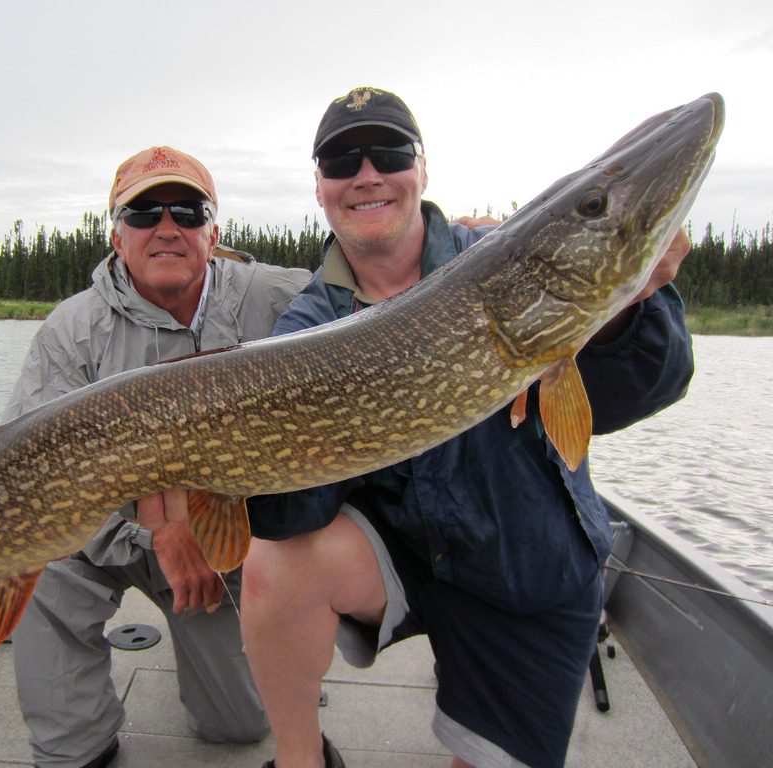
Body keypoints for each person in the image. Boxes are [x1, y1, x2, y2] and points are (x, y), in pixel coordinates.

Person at [240, 87, 695, 768]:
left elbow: (645, 387)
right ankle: (301, 759)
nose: (366, 174)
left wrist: (630, 306)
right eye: (341, 161)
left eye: (387, 152)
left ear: (421, 170)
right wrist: (224, 480)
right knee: (274, 564)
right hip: (401, 558)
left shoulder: (507, 262)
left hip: (527, 571)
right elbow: (295, 511)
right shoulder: (308, 325)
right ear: (321, 189)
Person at [4, 145, 311, 768]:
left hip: (222, 547)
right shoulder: (72, 330)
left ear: (214, 233)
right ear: (117, 235)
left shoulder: (278, 297)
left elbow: (375, 295)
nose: (167, 227)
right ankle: (76, 746)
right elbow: (27, 480)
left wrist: (460, 241)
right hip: (100, 535)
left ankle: (222, 678)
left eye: (188, 211)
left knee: (239, 726)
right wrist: (153, 534)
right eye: (143, 212)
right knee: (38, 565)